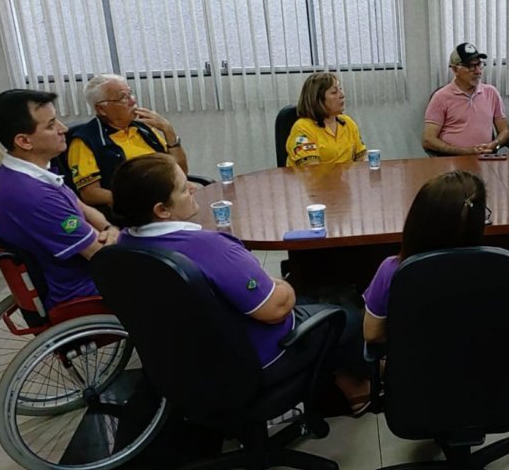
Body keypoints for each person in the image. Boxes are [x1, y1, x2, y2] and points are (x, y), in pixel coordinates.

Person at [112, 153, 372, 413]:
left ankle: (346, 383)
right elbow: (276, 309)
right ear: (162, 209)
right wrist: (284, 286)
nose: (192, 188)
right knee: (342, 314)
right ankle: (365, 383)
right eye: (183, 188)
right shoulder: (210, 248)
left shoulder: (124, 244)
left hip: (183, 363)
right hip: (252, 360)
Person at [363, 170, 509, 343]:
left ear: (417, 219)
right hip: (491, 373)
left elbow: (372, 334)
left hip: (419, 373)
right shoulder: (504, 268)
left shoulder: (394, 270)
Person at [0, 89, 118, 311]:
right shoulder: (33, 195)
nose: (63, 129)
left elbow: (81, 207)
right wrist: (116, 236)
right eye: (50, 125)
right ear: (24, 141)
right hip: (82, 289)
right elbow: (99, 254)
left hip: (85, 269)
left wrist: (109, 227)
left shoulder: (20, 173)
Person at [67, 74, 188, 209]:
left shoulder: (143, 128)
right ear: (101, 109)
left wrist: (168, 131)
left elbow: (181, 172)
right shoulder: (85, 140)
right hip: (134, 211)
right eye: (123, 98)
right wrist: (137, 200)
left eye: (130, 94)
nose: (132, 101)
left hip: (167, 201)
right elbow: (90, 194)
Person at [422, 43, 509, 156]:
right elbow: (428, 140)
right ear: (455, 69)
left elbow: (505, 131)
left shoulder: (491, 92)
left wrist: (495, 144)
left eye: (479, 65)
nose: (478, 71)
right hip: (452, 161)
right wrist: (466, 152)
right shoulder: (441, 97)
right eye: (471, 67)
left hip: (485, 159)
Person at [286, 72, 368, 167]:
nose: (342, 95)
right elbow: (311, 171)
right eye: (334, 92)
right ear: (317, 99)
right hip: (317, 181)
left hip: (345, 180)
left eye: (340, 89)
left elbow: (362, 158)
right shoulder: (303, 128)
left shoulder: (347, 122)